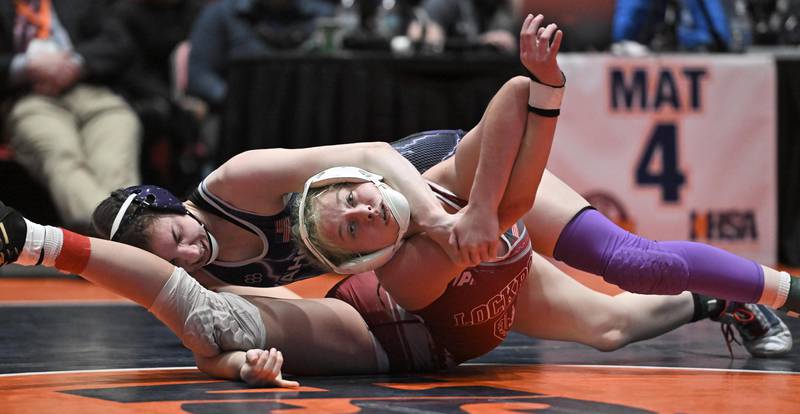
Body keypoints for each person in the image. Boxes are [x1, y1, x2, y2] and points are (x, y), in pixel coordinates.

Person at [92, 14, 792, 357]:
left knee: (630, 264)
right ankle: (714, 301)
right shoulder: (207, 276)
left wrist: (452, 212)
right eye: (171, 259)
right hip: (407, 249)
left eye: (178, 236)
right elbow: (257, 318)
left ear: (174, 201)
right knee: (606, 329)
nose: (187, 253)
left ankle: (778, 291)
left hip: (417, 178)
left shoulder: (234, 183)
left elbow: (369, 152)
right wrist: (250, 361)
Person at [0, 0, 142, 232]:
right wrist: (27, 66)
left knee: (117, 146)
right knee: (61, 154)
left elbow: (120, 43)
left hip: (90, 90)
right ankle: (125, 235)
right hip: (29, 99)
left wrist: (76, 63)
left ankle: (116, 238)